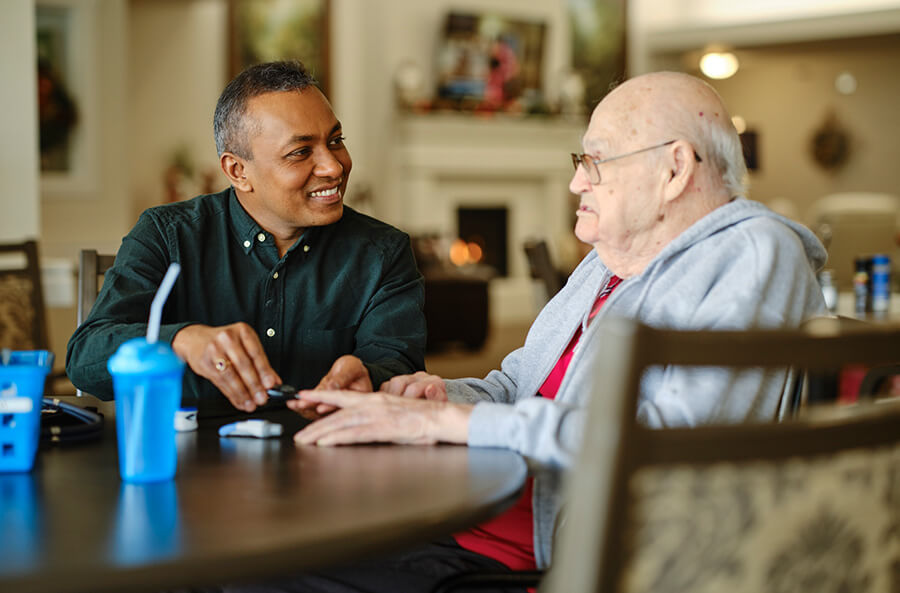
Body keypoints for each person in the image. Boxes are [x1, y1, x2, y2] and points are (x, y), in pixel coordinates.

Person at [199, 71, 828, 593]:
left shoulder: (752, 250)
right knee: (241, 545)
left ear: (674, 170)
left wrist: (449, 427)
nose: (578, 181)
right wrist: (436, 399)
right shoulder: (607, 263)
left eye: (595, 161)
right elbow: (516, 385)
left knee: (246, 576)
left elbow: (668, 442)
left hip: (552, 566)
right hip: (479, 520)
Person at [66, 61, 426, 414]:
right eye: (300, 152)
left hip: (328, 457)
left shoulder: (384, 252)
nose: (333, 167)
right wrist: (180, 341)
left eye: (335, 141)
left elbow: (399, 369)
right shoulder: (166, 233)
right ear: (238, 171)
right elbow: (86, 358)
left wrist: (370, 380)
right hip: (186, 463)